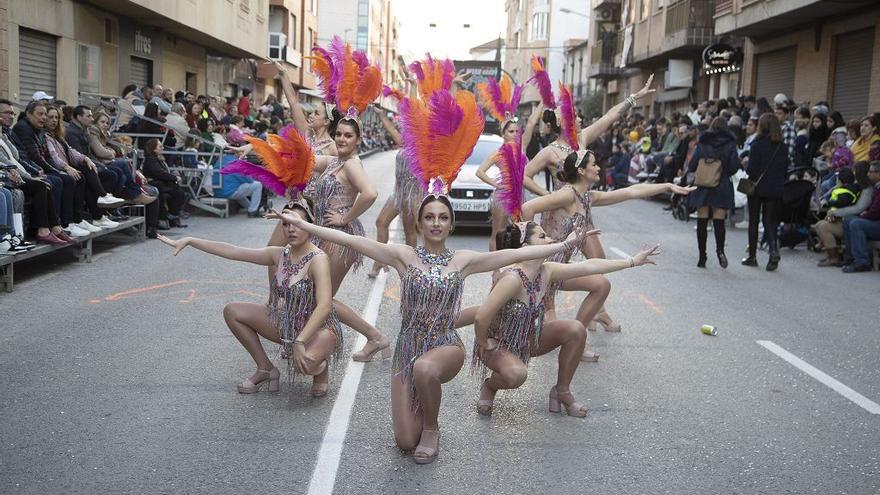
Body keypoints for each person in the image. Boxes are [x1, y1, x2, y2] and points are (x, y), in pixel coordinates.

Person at [269, 193, 578, 463]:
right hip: (408, 348)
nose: (436, 222)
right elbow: (350, 240)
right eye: (429, 217)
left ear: (451, 225)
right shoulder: (404, 256)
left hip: (445, 346)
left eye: (443, 217)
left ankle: (432, 427)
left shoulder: (463, 261)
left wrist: (565, 243)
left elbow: (516, 253)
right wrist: (305, 226)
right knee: (405, 441)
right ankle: (419, 415)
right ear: (418, 223)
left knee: (426, 369)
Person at [472, 223, 659, 417]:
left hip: (526, 340)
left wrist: (631, 261)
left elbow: (589, 266)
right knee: (516, 375)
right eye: (543, 237)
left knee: (575, 329)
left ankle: (562, 391)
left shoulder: (547, 271)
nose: (551, 239)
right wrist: (485, 342)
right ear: (526, 246)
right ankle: (490, 386)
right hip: (497, 346)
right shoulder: (512, 278)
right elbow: (481, 317)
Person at [158, 200, 342, 396]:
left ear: (309, 225)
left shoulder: (318, 258)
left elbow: (324, 305)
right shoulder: (278, 254)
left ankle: (320, 370)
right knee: (233, 311)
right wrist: (191, 241)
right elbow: (233, 251)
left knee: (302, 365)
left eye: (296, 223)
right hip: (287, 324)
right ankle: (266, 369)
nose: (290, 229)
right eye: (285, 223)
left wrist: (299, 342)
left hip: (318, 330)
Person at [521, 149, 693, 358]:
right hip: (546, 268)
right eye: (594, 164)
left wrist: (667, 186)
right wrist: (528, 250)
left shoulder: (586, 197)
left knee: (601, 284)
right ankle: (573, 342)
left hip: (560, 268)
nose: (599, 168)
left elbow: (630, 192)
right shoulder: (566, 195)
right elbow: (528, 207)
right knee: (593, 288)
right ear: (582, 171)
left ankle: (576, 337)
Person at [522, 76, 656, 333]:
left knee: (599, 259)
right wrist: (546, 197)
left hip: (582, 210)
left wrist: (633, 98)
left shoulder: (581, 140)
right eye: (573, 115)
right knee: (553, 263)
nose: (579, 119)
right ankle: (550, 319)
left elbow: (608, 118)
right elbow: (525, 174)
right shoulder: (550, 151)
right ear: (560, 122)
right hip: (557, 215)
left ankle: (599, 312)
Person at [474, 75, 541, 250]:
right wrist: (496, 184)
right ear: (503, 134)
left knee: (519, 233)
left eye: (517, 131)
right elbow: (480, 172)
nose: (515, 134)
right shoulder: (498, 154)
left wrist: (544, 102)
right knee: (498, 232)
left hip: (519, 195)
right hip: (502, 197)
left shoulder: (521, 149)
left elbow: (532, 123)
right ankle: (496, 268)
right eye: (511, 131)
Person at [44, 105, 123, 234]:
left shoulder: (59, 135)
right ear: (78, 117)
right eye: (50, 117)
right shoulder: (61, 134)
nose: (54, 120)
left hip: (70, 166)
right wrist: (67, 167)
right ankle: (73, 220)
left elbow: (72, 151)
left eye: (57, 118)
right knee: (82, 175)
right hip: (58, 168)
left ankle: (92, 216)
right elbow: (54, 156)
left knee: (101, 171)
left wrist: (86, 159)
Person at [686, 117, 739, 268]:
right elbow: (734, 167)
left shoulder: (703, 142)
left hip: (703, 185)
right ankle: (720, 251)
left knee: (702, 221)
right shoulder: (730, 144)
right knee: (719, 221)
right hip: (721, 185)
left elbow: (692, 165)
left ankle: (702, 256)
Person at [743, 113, 790, 271]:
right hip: (775, 188)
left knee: (754, 221)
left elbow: (751, 170)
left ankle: (752, 257)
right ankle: (774, 252)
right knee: (770, 222)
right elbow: (785, 169)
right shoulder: (782, 147)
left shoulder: (756, 145)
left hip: (757, 187)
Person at [840, 161, 880, 273]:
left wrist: (864, 215)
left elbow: (875, 213)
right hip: (875, 221)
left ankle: (862, 262)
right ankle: (851, 257)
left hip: (877, 222)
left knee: (856, 223)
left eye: (871, 172)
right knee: (848, 220)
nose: (868, 175)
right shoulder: (876, 187)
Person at [142, 139, 187, 237]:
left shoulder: (158, 158)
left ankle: (171, 216)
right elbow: (159, 173)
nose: (162, 148)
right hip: (155, 183)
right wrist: (174, 177)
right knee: (175, 192)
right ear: (153, 149)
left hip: (161, 182)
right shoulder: (151, 159)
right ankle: (166, 217)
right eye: (160, 146)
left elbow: (163, 173)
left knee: (179, 192)